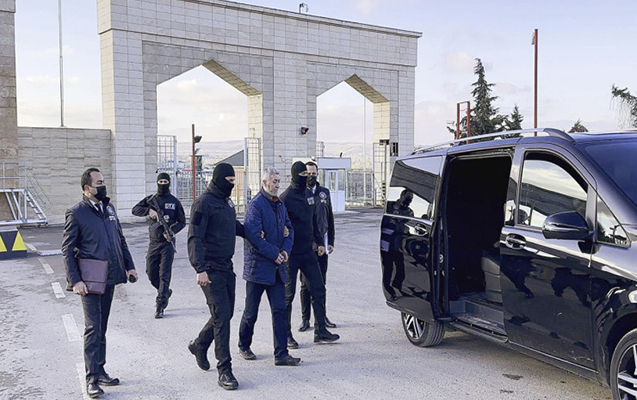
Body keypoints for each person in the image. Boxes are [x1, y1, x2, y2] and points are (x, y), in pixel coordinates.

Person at [62, 168, 138, 398]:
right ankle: (92, 380)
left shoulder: (109, 209)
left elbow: (120, 239)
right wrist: (75, 280)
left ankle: (101, 370)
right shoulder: (76, 213)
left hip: (110, 276)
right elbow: (67, 250)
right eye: (99, 183)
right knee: (93, 328)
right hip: (90, 280)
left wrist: (130, 266)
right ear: (87, 188)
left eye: (103, 181)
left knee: (102, 327)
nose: (103, 186)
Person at [187, 163, 244, 391]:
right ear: (219, 180)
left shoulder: (226, 202)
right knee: (221, 316)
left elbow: (233, 226)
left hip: (226, 266)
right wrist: (199, 269)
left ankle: (199, 345)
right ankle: (225, 370)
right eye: (229, 181)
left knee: (226, 313)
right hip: (209, 268)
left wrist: (254, 234)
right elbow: (194, 238)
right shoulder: (203, 203)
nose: (232, 185)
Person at [238, 167, 301, 366]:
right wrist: (275, 254)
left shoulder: (279, 204)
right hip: (258, 269)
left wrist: (285, 251)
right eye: (274, 181)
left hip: (277, 269)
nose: (277, 185)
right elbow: (254, 237)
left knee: (280, 311)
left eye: (279, 181)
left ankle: (281, 354)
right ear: (265, 183)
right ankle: (244, 345)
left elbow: (289, 229)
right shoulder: (256, 206)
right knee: (251, 312)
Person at [280, 161, 339, 348]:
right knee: (288, 296)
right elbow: (279, 225)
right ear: (294, 176)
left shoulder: (309, 195)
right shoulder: (285, 198)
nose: (307, 178)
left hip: (308, 251)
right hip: (291, 255)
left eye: (308, 174)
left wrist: (320, 243)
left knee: (319, 288)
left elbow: (314, 221)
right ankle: (286, 335)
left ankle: (320, 331)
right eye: (303, 175)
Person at [132, 172, 185, 318]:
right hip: (154, 242)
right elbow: (134, 210)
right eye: (160, 182)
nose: (162, 184)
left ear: (169, 183)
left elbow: (182, 222)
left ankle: (160, 305)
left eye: (165, 182)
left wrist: (172, 231)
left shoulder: (174, 202)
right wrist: (148, 211)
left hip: (167, 243)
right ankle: (165, 291)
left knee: (164, 274)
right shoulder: (151, 200)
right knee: (150, 272)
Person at [298, 161, 336, 332]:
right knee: (305, 284)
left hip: (323, 245)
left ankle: (322, 317)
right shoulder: (301, 193)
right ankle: (305, 318)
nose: (311, 176)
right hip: (307, 246)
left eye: (314, 174)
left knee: (321, 283)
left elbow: (330, 218)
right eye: (308, 174)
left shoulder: (324, 193)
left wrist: (331, 241)